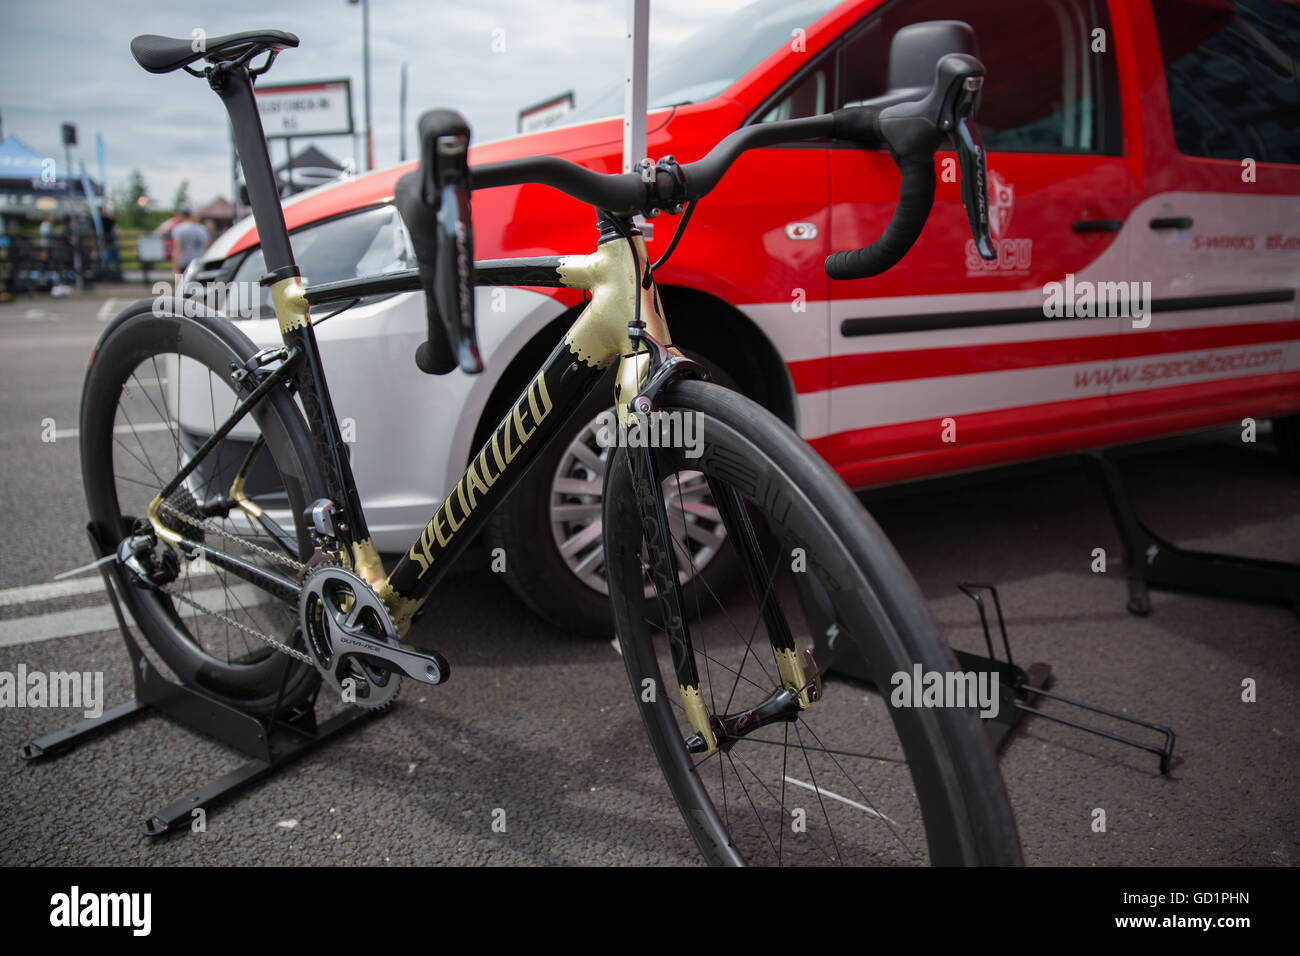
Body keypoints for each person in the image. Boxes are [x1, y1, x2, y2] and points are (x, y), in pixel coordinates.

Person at [170, 205, 210, 275]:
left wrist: (175, 268)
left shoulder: (179, 229)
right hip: (200, 262)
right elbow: (206, 248)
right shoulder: (203, 229)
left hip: (185, 263)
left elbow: (177, 250)